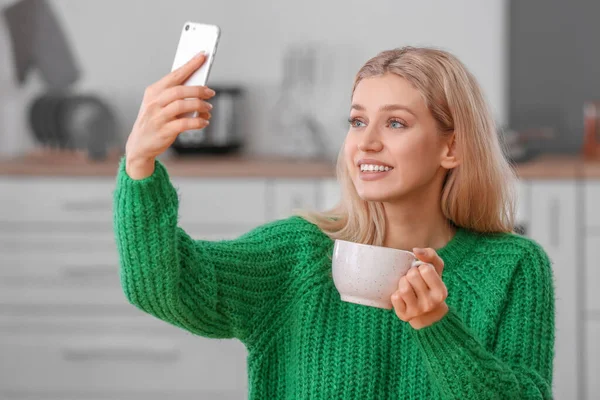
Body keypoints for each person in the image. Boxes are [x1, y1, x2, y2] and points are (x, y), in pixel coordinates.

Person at [114, 46, 555, 399]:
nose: (367, 142)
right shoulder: (299, 255)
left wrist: (437, 326)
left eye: (396, 123)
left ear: (452, 148)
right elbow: (164, 287)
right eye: (357, 120)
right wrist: (139, 164)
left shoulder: (512, 266)